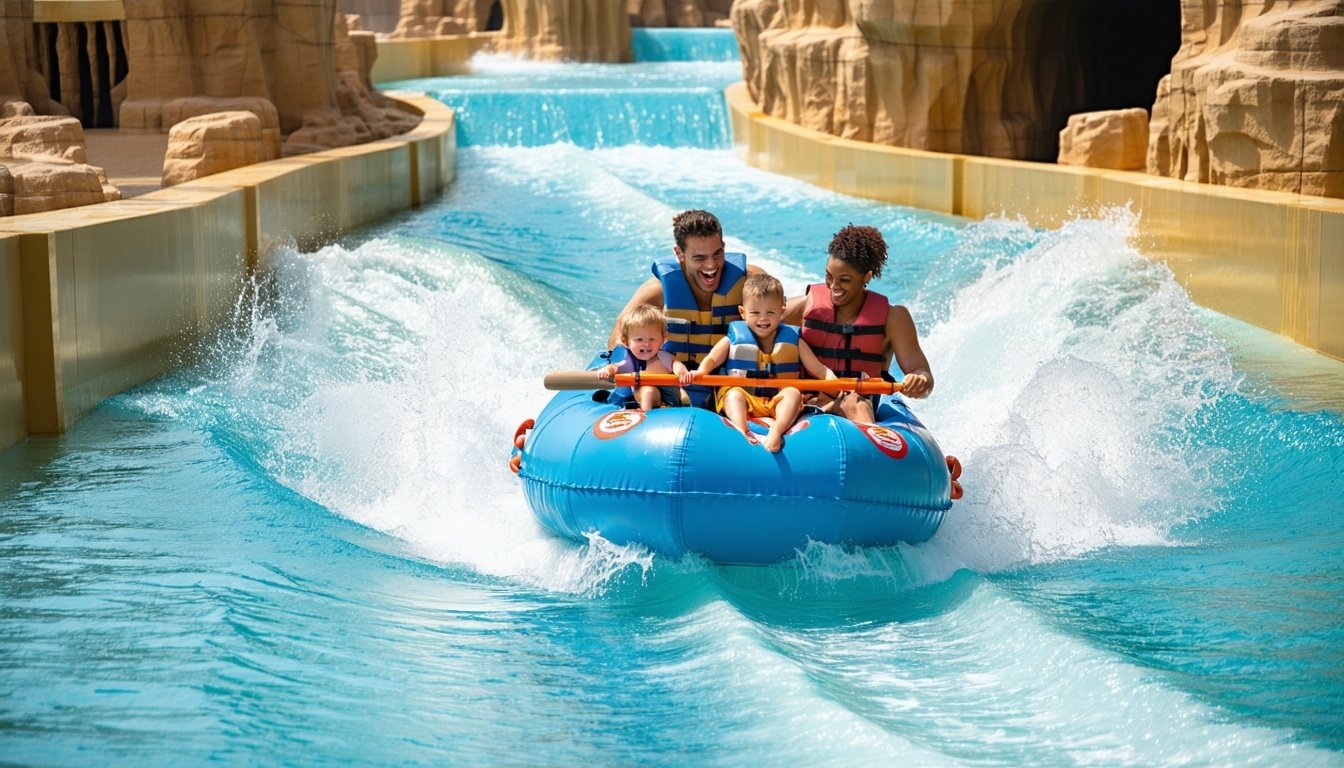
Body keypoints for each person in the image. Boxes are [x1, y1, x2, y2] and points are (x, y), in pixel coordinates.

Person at [609, 210, 768, 407]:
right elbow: (620, 335)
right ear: (679, 254)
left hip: (730, 384)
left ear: (724, 247)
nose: (711, 265)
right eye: (700, 258)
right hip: (672, 382)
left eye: (717, 254)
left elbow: (781, 326)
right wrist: (625, 372)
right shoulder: (658, 290)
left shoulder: (751, 282)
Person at [785, 224, 934, 423]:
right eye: (829, 276)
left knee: (856, 403)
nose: (833, 286)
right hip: (806, 404)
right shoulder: (806, 306)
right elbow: (754, 321)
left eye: (844, 280)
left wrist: (920, 380)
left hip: (858, 407)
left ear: (867, 277)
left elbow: (922, 374)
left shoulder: (894, 318)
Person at [684, 274, 837, 452]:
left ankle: (776, 432)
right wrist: (700, 372)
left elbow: (819, 370)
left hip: (776, 401)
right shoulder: (733, 339)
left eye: (770, 312)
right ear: (743, 313)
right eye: (755, 312)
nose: (763, 319)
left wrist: (839, 388)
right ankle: (742, 432)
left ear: (781, 311)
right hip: (745, 397)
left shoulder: (794, 341)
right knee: (733, 395)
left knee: (793, 394)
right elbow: (711, 358)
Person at [597, 304, 690, 410]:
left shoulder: (663, 357)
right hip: (638, 398)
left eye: (652, 339)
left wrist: (682, 373)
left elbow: (676, 364)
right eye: (639, 340)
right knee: (647, 391)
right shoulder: (628, 360)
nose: (646, 344)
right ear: (626, 342)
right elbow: (614, 368)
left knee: (653, 391)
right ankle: (645, 412)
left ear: (663, 340)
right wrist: (607, 370)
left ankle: (656, 411)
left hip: (668, 400)